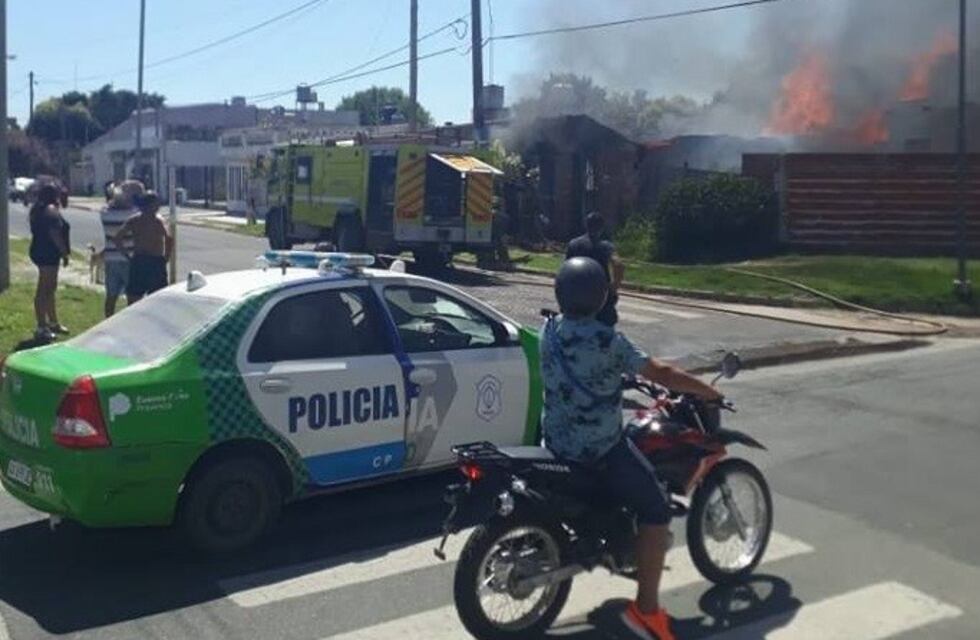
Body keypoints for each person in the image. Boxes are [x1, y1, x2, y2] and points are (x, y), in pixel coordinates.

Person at [541, 257, 722, 640]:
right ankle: (646, 611)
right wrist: (708, 390)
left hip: (555, 442)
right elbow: (661, 373)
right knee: (656, 506)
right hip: (599, 449)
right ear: (600, 295)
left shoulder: (549, 331)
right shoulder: (608, 341)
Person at [565, 211, 624, 326]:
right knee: (605, 329)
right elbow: (618, 264)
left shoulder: (574, 244)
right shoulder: (605, 246)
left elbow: (566, 269)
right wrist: (613, 287)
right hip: (599, 295)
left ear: (586, 225)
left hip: (575, 294)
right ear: (601, 227)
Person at [28, 184, 71, 340]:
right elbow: (55, 233)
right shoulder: (51, 210)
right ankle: (41, 326)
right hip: (48, 253)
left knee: (50, 288)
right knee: (44, 288)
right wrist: (64, 252)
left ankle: (53, 322)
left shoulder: (38, 209)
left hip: (41, 250)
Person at [115, 191, 172, 304]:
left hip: (139, 260)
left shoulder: (134, 220)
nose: (158, 207)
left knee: (134, 299)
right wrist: (166, 257)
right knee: (157, 300)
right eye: (156, 204)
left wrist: (126, 255)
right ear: (151, 205)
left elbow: (118, 238)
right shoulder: (158, 221)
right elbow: (169, 237)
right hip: (154, 262)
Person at [100, 180, 144, 316]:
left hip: (111, 258)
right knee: (133, 295)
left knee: (111, 295)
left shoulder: (105, 213)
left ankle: (108, 321)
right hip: (129, 258)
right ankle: (131, 322)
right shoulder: (134, 214)